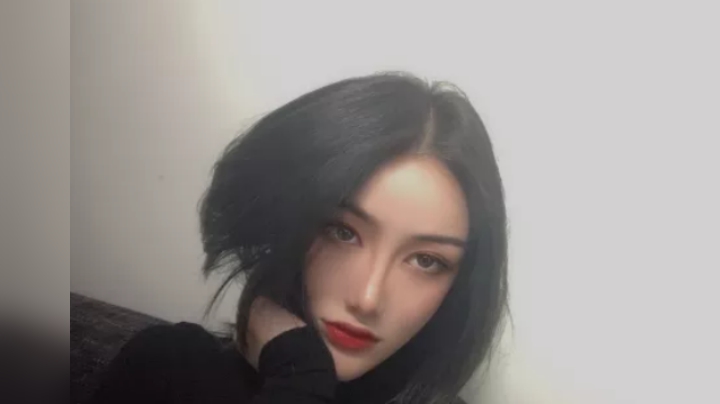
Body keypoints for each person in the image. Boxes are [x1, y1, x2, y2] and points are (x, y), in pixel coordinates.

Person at [89, 72, 508, 404]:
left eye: (426, 260)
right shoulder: (168, 370)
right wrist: (300, 377)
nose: (368, 298)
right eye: (343, 232)